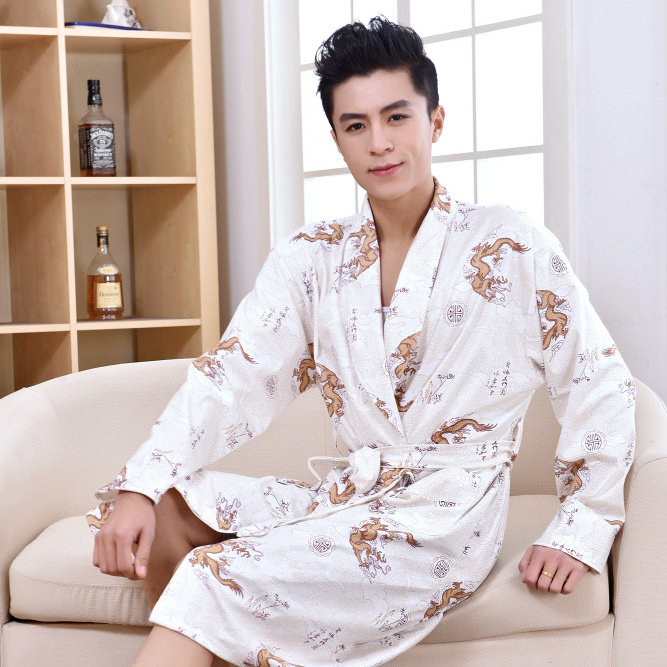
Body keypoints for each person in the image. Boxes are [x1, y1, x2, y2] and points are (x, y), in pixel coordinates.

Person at [88, 17, 635, 667]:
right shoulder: (311, 258)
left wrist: (581, 527)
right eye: (355, 126)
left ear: (434, 121)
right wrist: (142, 484)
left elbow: (597, 379)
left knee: (213, 575)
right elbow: (232, 378)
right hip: (351, 494)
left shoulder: (511, 245)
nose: (379, 143)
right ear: (337, 140)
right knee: (167, 505)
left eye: (396, 117)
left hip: (445, 519)